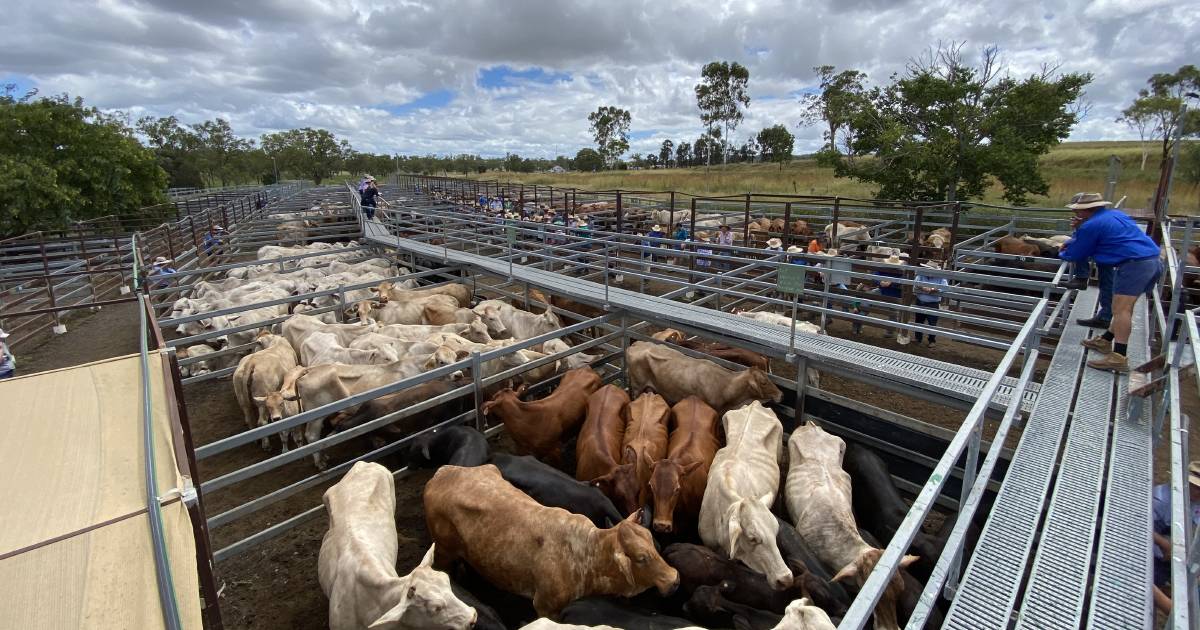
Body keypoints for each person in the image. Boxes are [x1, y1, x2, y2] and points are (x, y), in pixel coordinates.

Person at [1062, 192, 1162, 372]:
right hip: (1151, 260)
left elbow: (1077, 253)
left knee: (1121, 310)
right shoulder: (1115, 214)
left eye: (1078, 210)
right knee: (1124, 307)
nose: (1076, 213)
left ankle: (1119, 357)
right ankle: (1106, 340)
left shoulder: (1091, 225)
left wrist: (1061, 252)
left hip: (1134, 265)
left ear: (1086, 210)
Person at [1150, 461, 1200, 614]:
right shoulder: (1160, 500)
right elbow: (1138, 526)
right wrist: (1164, 544)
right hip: (1153, 555)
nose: (1197, 491)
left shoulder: (1196, 504)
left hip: (1177, 558)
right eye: (1194, 486)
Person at [913, 260, 950, 347]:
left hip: (933, 303)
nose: (927, 270)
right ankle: (918, 338)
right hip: (920, 301)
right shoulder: (921, 275)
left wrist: (934, 289)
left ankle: (932, 340)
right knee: (919, 321)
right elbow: (916, 283)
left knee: (932, 322)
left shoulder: (940, 277)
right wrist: (923, 287)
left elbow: (945, 287)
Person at [871, 252, 906, 339]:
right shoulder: (884, 268)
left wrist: (892, 282)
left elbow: (905, 279)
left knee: (893, 312)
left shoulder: (902, 270)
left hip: (895, 293)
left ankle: (890, 331)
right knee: (868, 297)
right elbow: (875, 275)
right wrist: (880, 281)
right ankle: (859, 319)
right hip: (882, 290)